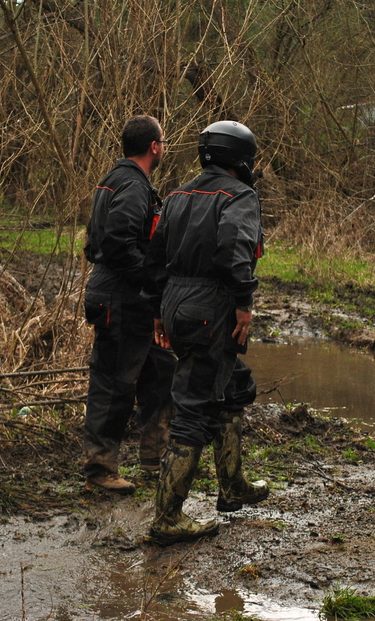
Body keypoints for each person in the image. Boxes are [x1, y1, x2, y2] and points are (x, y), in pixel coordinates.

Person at [142, 120, 270, 546]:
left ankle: (231, 485)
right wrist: (244, 304)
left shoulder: (177, 195)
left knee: (233, 383)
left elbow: (154, 255)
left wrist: (159, 311)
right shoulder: (240, 196)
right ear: (242, 159)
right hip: (211, 307)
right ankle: (168, 516)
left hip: (176, 304)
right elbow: (235, 251)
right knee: (194, 404)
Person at [82, 115, 176, 494]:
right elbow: (118, 243)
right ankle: (100, 470)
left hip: (130, 298)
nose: (164, 147)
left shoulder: (113, 180)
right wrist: (152, 279)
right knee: (114, 384)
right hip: (119, 298)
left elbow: (95, 240)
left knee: (159, 372)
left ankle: (156, 459)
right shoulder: (133, 187)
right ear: (154, 147)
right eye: (164, 141)